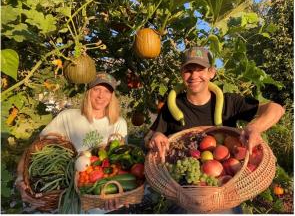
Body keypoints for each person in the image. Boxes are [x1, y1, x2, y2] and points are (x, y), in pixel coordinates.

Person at [146, 47, 285, 214]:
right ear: (182, 73)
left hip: (226, 192)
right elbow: (148, 138)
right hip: (185, 192)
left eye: (200, 70)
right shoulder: (172, 107)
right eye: (188, 70)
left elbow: (277, 109)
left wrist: (254, 128)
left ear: (211, 72)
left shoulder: (230, 102)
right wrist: (156, 137)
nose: (194, 76)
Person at [15, 72, 128, 213]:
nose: (101, 95)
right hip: (64, 198)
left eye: (107, 91)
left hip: (97, 201)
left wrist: (117, 196)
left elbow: (121, 166)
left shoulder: (119, 124)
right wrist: (20, 179)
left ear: (112, 96)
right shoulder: (68, 116)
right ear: (88, 91)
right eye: (96, 89)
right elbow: (35, 148)